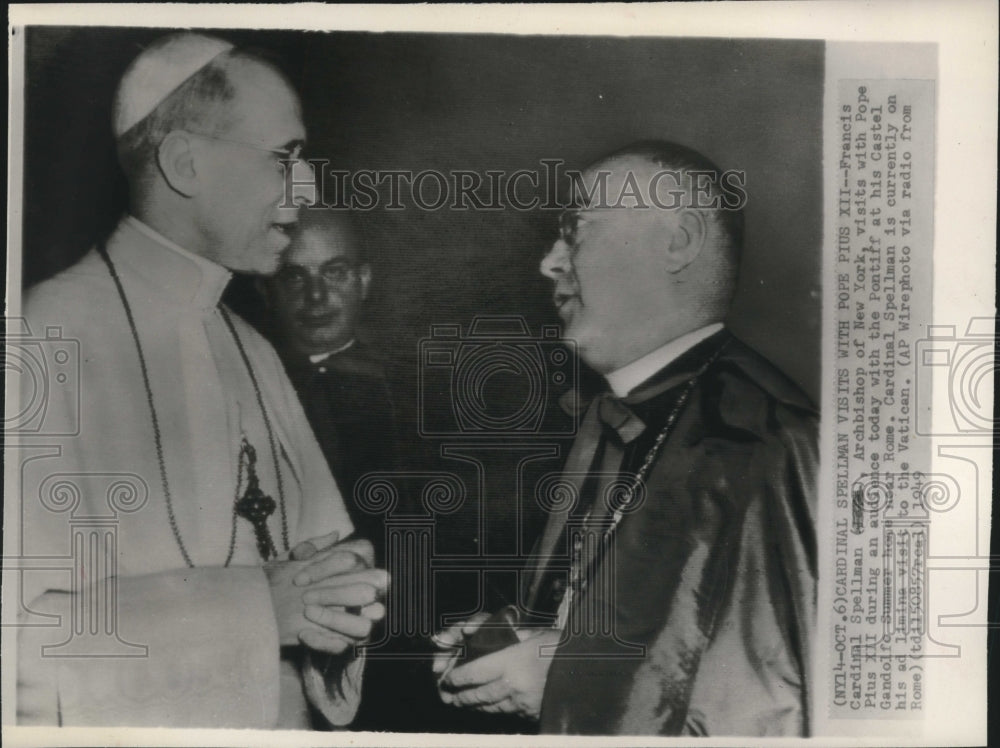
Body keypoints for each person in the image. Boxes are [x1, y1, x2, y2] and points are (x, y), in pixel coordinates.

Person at [15, 32, 388, 729]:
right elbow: (16, 652)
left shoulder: (254, 347)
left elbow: (310, 586)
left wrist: (333, 595)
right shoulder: (40, 335)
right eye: (284, 158)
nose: (307, 189)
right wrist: (257, 611)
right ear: (186, 163)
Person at [433, 141, 818, 736]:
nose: (549, 263)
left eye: (576, 231)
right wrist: (518, 638)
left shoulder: (767, 438)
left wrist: (570, 679)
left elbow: (772, 706)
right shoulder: (607, 411)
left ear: (678, 241)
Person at [260, 209, 400, 563]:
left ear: (363, 281)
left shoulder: (412, 391)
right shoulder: (249, 383)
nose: (316, 296)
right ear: (268, 290)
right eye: (294, 277)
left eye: (334, 272)